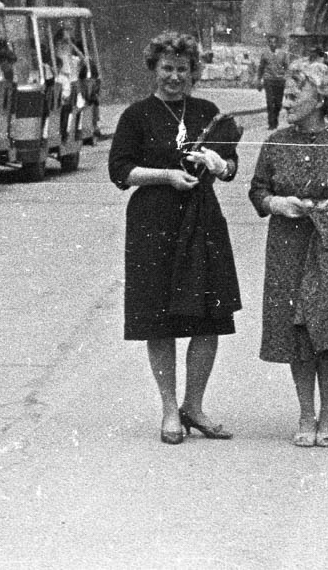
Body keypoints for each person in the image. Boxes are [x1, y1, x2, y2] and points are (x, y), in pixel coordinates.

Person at [108, 31, 243, 444]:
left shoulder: (208, 112)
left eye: (183, 69)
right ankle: (170, 408)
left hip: (202, 219)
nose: (175, 77)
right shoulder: (136, 115)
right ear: (154, 69)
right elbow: (120, 171)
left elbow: (231, 166)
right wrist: (166, 176)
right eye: (167, 68)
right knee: (158, 318)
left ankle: (194, 406)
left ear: (193, 72)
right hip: (153, 221)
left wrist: (220, 165)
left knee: (209, 317)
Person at [249, 58, 328, 448]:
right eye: (286, 96)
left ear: (320, 99)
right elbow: (257, 191)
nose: (285, 103)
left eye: (294, 96)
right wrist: (276, 203)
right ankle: (307, 412)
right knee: (297, 330)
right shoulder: (275, 143)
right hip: (289, 244)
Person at [255, 33, 292, 130]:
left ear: (277, 43)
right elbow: (261, 67)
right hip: (268, 80)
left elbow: (287, 68)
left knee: (278, 103)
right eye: (270, 42)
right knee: (270, 102)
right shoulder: (265, 54)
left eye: (274, 42)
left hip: (280, 81)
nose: (272, 44)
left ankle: (275, 120)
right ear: (268, 43)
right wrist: (258, 79)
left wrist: (287, 79)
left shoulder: (283, 54)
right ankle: (271, 124)